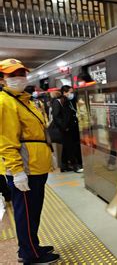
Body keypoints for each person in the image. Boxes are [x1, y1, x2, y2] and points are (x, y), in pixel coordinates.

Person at [0, 58, 59, 263]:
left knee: (32, 212)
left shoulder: (24, 100)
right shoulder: (5, 102)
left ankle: (31, 245)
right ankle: (29, 254)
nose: (19, 78)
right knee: (25, 213)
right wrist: (17, 172)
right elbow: (7, 141)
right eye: (12, 75)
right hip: (25, 169)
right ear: (2, 78)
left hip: (35, 166)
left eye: (22, 73)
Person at [51, 85, 83, 173]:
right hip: (66, 129)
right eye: (70, 92)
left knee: (67, 147)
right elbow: (56, 117)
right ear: (64, 92)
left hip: (72, 128)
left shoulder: (69, 101)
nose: (72, 94)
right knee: (71, 147)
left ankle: (64, 165)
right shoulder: (58, 102)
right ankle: (75, 165)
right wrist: (64, 127)